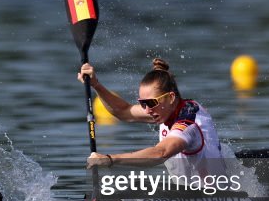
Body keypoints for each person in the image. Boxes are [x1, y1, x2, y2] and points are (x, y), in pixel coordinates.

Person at [81, 58, 227, 178]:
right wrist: (96, 84)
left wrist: (110, 160)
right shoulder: (165, 110)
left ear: (170, 97)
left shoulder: (188, 120)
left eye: (151, 103)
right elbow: (123, 111)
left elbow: (160, 153)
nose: (147, 110)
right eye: (142, 103)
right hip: (190, 199)